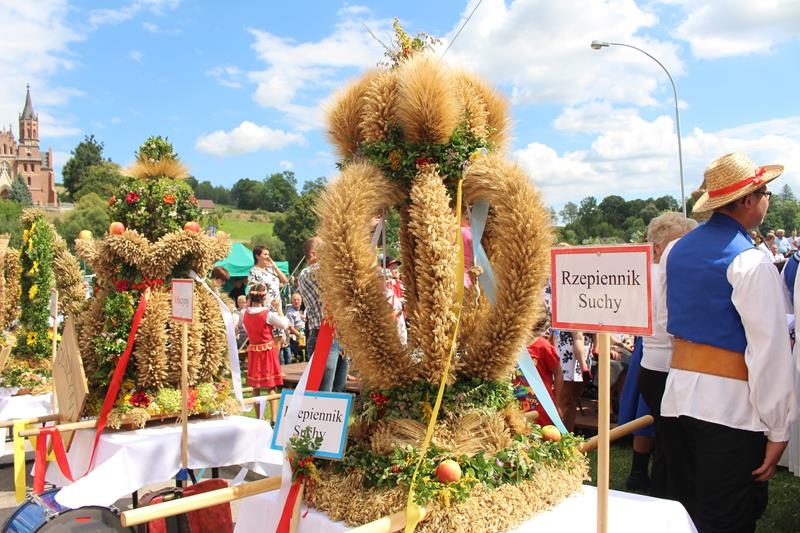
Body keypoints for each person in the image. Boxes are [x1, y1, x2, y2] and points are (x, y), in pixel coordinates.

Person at [661, 152, 798, 532]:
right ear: (748, 200)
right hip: (730, 410)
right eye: (765, 192)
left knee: (685, 513)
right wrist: (778, 428)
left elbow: (666, 323)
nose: (767, 199)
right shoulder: (751, 261)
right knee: (727, 518)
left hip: (678, 398)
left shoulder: (675, 250)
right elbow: (769, 352)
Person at [629, 211, 697, 496]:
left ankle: (662, 493)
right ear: (658, 247)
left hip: (652, 365)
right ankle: (669, 498)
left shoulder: (643, 274)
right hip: (667, 366)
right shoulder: (662, 275)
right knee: (674, 447)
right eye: (678, 243)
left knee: (667, 442)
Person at [297, 236, 347, 392]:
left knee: (339, 390)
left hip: (339, 337)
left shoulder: (326, 272)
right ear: (313, 254)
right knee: (323, 393)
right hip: (323, 337)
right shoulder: (307, 273)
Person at [241, 283, 289, 419]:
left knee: (255, 387)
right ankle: (273, 419)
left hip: (253, 351)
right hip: (267, 351)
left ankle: (259, 419)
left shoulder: (244, 313)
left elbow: (246, 329)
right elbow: (284, 324)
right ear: (264, 297)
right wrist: (279, 308)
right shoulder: (268, 314)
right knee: (271, 386)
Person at [512, 316, 562, 426]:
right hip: (515, 404)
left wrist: (557, 403)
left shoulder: (543, 346)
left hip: (542, 406)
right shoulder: (512, 344)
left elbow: (558, 373)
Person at [284, 292, 306, 363]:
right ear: (292, 301)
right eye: (294, 300)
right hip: (296, 336)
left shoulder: (303, 309)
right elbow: (290, 328)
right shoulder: (290, 312)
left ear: (301, 300)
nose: (296, 301)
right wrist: (300, 335)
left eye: (298, 300)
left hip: (306, 333)